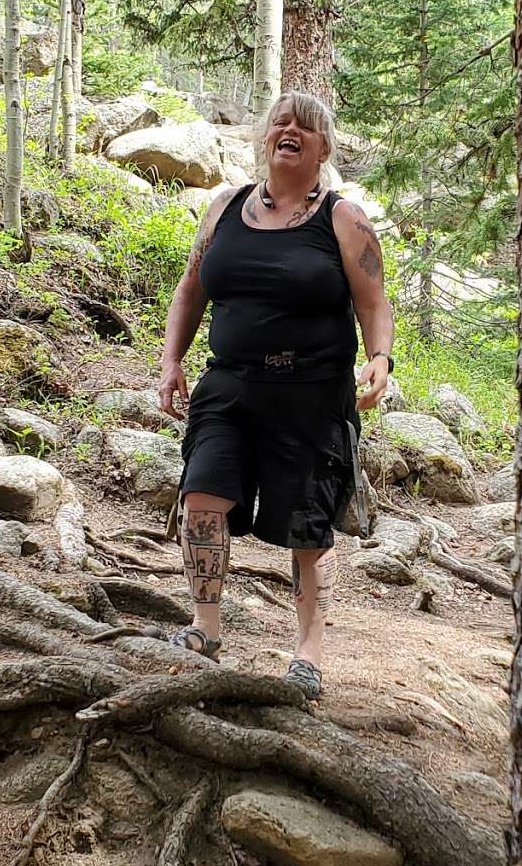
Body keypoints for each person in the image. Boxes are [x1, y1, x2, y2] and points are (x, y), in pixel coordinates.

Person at [157, 90, 394, 699]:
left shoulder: (343, 219)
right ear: (266, 139)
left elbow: (373, 301)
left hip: (311, 392)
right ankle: (205, 630)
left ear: (323, 148)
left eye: (304, 127)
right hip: (229, 383)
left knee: (306, 524)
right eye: (279, 123)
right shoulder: (223, 207)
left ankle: (309, 648)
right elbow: (191, 289)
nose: (288, 130)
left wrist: (379, 360)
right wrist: (171, 360)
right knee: (202, 495)